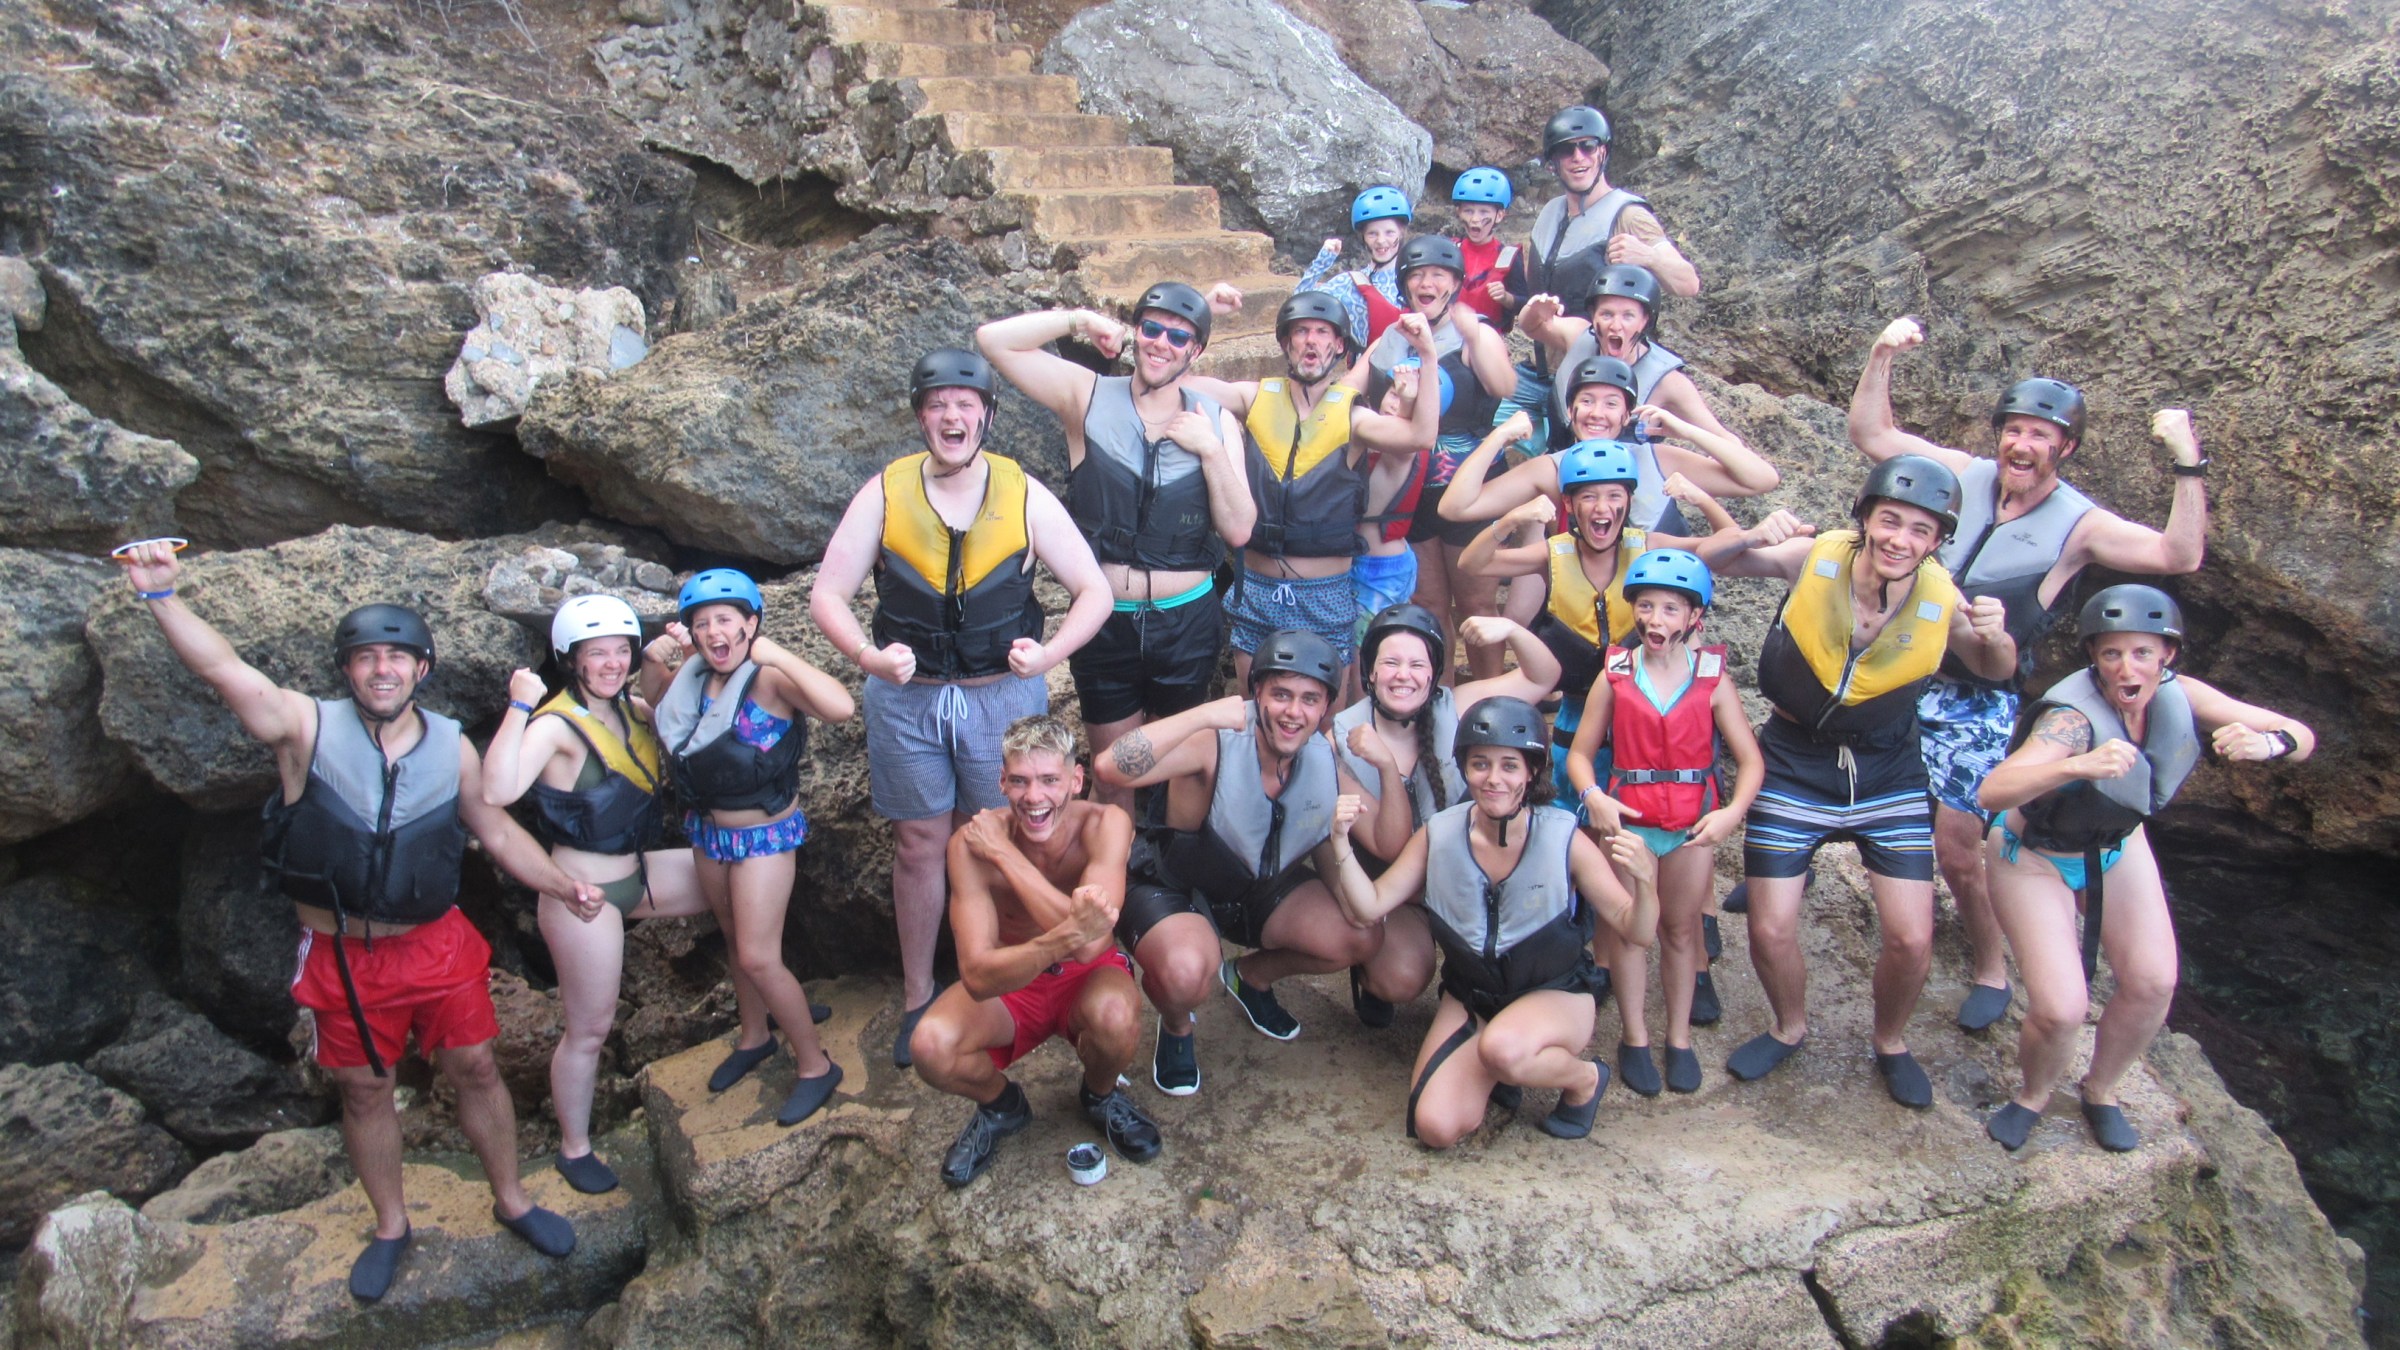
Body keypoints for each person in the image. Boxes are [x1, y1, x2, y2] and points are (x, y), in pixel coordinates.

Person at [115, 542, 598, 1301]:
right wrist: (161, 597)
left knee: (474, 1067)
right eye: (367, 658)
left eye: (398, 659)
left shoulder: (452, 747)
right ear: (347, 670)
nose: (383, 670)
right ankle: (390, 1225)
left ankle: (513, 1199)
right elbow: (223, 671)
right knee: (366, 1090)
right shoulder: (301, 727)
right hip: (343, 952)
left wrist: (564, 884)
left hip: (435, 943)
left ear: (422, 670)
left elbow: (498, 834)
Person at [1848, 317, 2209, 1032]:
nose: (2023, 444)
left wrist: (2186, 460)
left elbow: (2178, 555)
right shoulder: (1963, 472)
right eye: (2015, 430)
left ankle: (1990, 963)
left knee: (1958, 843)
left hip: (1980, 690)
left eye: (2041, 436)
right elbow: (1874, 436)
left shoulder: (2079, 524)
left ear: (2065, 449)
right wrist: (1882, 354)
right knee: (1844, 776)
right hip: (1901, 662)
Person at [810, 347, 1115, 1067]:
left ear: (987, 415)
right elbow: (829, 593)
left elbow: (1093, 590)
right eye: (937, 404)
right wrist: (867, 657)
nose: (952, 415)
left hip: (999, 698)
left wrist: (1047, 656)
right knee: (919, 844)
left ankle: (1010, 982)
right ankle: (920, 992)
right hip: (908, 698)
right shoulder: (884, 492)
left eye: (965, 404)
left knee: (1005, 841)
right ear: (921, 416)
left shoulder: (1023, 491)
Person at [1695, 456, 2015, 1107]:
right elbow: (1714, 564)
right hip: (1793, 758)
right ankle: (1789, 1027)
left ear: (1935, 542)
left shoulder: (1939, 594)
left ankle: (1891, 1041)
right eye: (1889, 520)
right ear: (1866, 518)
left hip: (1888, 769)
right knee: (1770, 926)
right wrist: (1755, 534)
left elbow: (1992, 666)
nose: (1901, 538)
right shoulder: (1814, 557)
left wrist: (1997, 635)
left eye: (1920, 530)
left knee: (1911, 935)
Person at [1977, 587, 2310, 1152]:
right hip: (2033, 855)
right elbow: (1994, 789)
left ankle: (2101, 1090)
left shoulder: (2182, 694)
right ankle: (2032, 1096)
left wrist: (2268, 745)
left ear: (2166, 656)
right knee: (2061, 1009)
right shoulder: (2069, 721)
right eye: (2110, 654)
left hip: (2116, 845)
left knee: (2154, 982)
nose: (2126, 668)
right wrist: (2076, 765)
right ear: (2093, 658)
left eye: (2140, 653)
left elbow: (2302, 735)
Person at [1325, 696, 1661, 1145]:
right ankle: (1500, 1068)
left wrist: (1645, 884)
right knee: (1435, 1128)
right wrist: (1340, 844)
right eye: (1480, 764)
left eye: (1510, 766)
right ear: (1464, 769)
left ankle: (1582, 1080)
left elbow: (1637, 931)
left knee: (1503, 1049)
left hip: (1553, 991)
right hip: (1474, 996)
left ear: (1532, 772)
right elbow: (1371, 907)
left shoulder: (1564, 838)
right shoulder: (1440, 833)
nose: (1494, 779)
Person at [976, 284, 1256, 816]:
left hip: (1187, 620)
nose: (1161, 343)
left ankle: (1172, 885)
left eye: (1179, 336)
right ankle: (1119, 888)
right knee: (1112, 775)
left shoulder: (1215, 420)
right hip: (1106, 622)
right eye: (1151, 328)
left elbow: (1240, 529)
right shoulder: (1087, 396)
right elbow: (994, 341)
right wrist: (1079, 318)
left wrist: (1211, 450)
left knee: (1182, 769)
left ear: (1196, 351)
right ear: (1135, 333)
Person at [1093, 631, 1413, 1095]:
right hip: (1174, 883)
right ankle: (1179, 1025)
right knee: (1185, 974)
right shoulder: (1214, 739)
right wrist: (1203, 713)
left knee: (1361, 933)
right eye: (1280, 694)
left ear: (1325, 708)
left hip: (1253, 894)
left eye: (1309, 699)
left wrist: (1386, 769)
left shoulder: (1324, 757)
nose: (1293, 712)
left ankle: (1249, 978)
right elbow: (1108, 770)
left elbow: (1389, 842)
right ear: (1256, 692)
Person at [480, 595, 720, 1195]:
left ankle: (761, 1022)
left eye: (620, 651)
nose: (612, 664)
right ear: (572, 661)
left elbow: (678, 704)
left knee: (738, 880)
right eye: (597, 655)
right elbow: (498, 788)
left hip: (640, 870)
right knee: (589, 1029)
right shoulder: (555, 725)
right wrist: (518, 704)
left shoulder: (634, 709)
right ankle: (574, 1145)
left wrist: (685, 650)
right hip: (582, 891)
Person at [905, 716, 1164, 1186]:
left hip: (1084, 977)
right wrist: (1063, 937)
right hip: (1011, 980)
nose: (1034, 797)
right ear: (1001, 781)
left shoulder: (1107, 823)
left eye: (1049, 780)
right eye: (1020, 781)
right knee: (929, 1046)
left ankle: (1100, 1096)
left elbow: (1091, 952)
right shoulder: (967, 845)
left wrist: (1006, 855)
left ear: (1076, 780)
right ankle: (1002, 1106)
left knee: (1116, 1018)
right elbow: (979, 976)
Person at [643, 569, 854, 1127]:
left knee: (760, 955)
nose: (715, 632)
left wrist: (775, 652)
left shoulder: (769, 680)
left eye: (726, 621)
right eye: (702, 623)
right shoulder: (693, 677)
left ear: (750, 624)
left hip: (762, 836)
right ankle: (755, 1035)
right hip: (707, 832)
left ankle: (815, 1066)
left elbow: (839, 707)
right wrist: (653, 655)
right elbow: (653, 702)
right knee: (737, 943)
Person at [1562, 551, 1763, 1096]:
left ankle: (1678, 1038)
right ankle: (1634, 1037)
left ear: (1693, 617)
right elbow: (1581, 754)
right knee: (1631, 931)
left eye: (1671, 608)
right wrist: (1592, 797)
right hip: (1629, 823)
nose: (1656, 619)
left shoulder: (1711, 677)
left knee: (1681, 929)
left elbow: (1750, 760)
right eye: (1647, 606)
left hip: (1691, 825)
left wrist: (1731, 814)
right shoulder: (1617, 673)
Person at [1179, 296, 1441, 697]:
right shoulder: (1255, 397)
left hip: (1325, 592)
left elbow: (1420, 436)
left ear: (1339, 347)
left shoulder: (1353, 416)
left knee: (1324, 720)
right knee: (1257, 709)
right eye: (1301, 332)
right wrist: (1205, 313)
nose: (1311, 341)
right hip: (1258, 587)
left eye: (1323, 333)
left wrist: (1427, 354)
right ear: (1286, 344)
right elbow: (1178, 380)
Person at [1333, 606, 1562, 1024]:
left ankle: (1473, 976)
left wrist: (1510, 629)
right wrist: (1386, 766)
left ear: (1434, 673)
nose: (1404, 675)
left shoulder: (1456, 707)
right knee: (1399, 978)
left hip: (1461, 870)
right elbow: (1392, 845)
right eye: (1391, 663)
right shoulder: (1341, 740)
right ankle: (1371, 963)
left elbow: (1543, 676)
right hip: (1396, 885)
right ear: (1369, 672)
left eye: (1417, 664)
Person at [1458, 440, 1698, 804]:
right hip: (1576, 705)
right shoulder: (1554, 553)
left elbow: (1723, 550)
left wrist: (1708, 503)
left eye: (1614, 496)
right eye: (1588, 497)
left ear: (1629, 501)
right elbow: (1471, 565)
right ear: (1569, 505)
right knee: (1572, 803)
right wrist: (1511, 520)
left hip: (1639, 708)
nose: (1602, 508)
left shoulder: (1648, 546)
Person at [1494, 105, 1701, 454]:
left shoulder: (1630, 216)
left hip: (1598, 383)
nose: (1578, 157)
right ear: (1553, 162)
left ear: (1602, 151)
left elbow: (1687, 283)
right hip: (1544, 368)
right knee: (1490, 434)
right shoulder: (1549, 214)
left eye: (1587, 146)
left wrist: (1647, 256)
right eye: (1566, 150)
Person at [1362, 236, 1516, 682]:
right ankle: (1440, 701)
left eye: (1438, 275)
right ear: (1404, 284)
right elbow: (1356, 400)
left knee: (1476, 606)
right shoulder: (1389, 340)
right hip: (1411, 490)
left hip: (1472, 489)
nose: (1427, 283)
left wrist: (1473, 333)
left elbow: (1504, 385)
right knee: (1428, 606)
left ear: (1454, 283)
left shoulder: (1475, 333)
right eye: (1417, 275)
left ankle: (1490, 699)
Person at [1296, 186, 1415, 350]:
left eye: (1389, 233)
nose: (1381, 241)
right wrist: (1322, 261)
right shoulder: (1348, 283)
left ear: (1401, 233)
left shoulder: (1416, 279)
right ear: (1363, 238)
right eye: (1372, 233)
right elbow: (1299, 304)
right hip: (1367, 370)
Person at [1448, 167, 1523, 331]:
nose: (1475, 219)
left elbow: (1523, 304)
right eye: (1468, 211)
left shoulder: (1508, 256)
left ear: (1500, 215)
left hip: (1488, 340)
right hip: (1448, 337)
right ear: (1458, 212)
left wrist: (1505, 298)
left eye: (1484, 212)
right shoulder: (1448, 249)